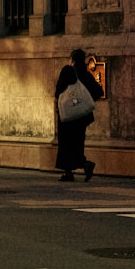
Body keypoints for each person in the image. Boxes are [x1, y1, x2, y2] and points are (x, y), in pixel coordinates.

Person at [54, 49, 105, 181]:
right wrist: (83, 102)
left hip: (68, 115)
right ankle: (82, 165)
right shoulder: (87, 74)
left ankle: (71, 171)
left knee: (66, 143)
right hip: (81, 117)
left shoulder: (67, 71)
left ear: (72, 59)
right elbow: (98, 91)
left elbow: (58, 90)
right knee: (77, 143)